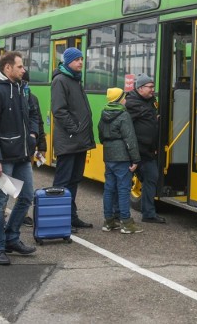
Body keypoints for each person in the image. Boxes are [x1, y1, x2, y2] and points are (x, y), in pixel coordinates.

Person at [0, 51, 39, 266]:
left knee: (26, 197)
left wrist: (33, 136)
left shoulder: (20, 88)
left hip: (22, 155)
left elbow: (32, 114)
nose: (24, 70)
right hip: (4, 158)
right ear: (8, 68)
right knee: (0, 202)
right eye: (20, 66)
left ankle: (11, 238)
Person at [51, 47, 96, 231]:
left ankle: (71, 216)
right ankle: (58, 219)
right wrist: (75, 129)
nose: (80, 63)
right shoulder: (60, 80)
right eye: (77, 60)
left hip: (78, 141)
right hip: (69, 140)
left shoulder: (75, 80)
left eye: (81, 59)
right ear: (67, 61)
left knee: (75, 180)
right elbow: (59, 110)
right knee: (63, 182)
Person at [98, 87, 143, 234]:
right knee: (123, 190)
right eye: (124, 97)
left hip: (109, 155)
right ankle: (126, 223)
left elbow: (101, 135)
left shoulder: (104, 112)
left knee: (109, 189)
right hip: (122, 157)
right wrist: (135, 159)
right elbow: (130, 139)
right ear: (119, 99)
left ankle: (109, 222)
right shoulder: (124, 115)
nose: (126, 99)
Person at [125, 73, 166, 224]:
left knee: (152, 177)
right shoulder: (131, 103)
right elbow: (126, 127)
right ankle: (119, 216)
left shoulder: (150, 101)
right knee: (123, 184)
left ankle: (148, 213)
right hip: (135, 151)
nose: (153, 90)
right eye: (150, 87)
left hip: (148, 150)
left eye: (153, 87)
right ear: (140, 88)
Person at [21, 71, 47, 227]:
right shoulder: (10, 97)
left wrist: (41, 145)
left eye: (26, 82)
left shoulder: (33, 99)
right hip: (12, 148)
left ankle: (23, 214)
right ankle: (3, 215)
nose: (25, 85)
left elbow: (39, 122)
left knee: (26, 183)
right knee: (8, 184)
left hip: (28, 148)